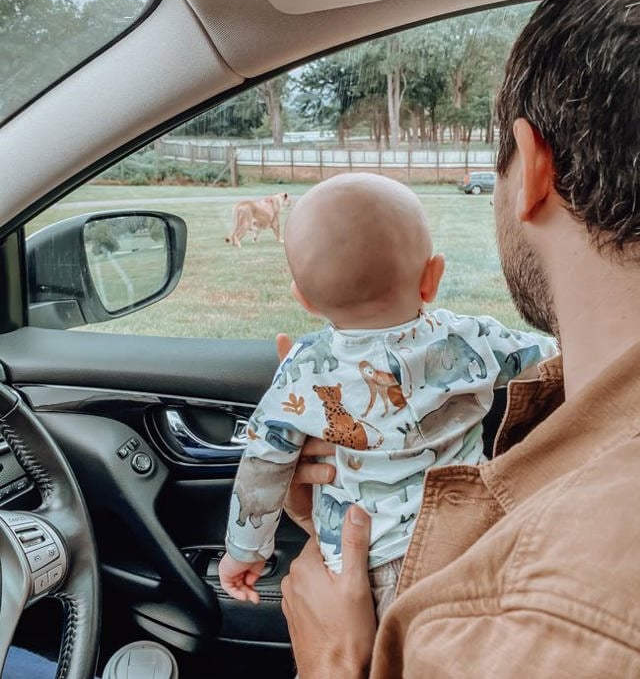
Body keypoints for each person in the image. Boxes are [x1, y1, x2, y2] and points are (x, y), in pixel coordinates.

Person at [279, 0, 640, 677]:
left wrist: (335, 663)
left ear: (532, 167)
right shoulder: (579, 415)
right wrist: (358, 495)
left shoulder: (537, 624)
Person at [218, 173, 557, 617]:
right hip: (473, 538)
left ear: (305, 300)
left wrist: (245, 550)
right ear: (431, 277)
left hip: (363, 567)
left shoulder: (303, 368)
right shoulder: (468, 340)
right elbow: (550, 355)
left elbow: (263, 463)